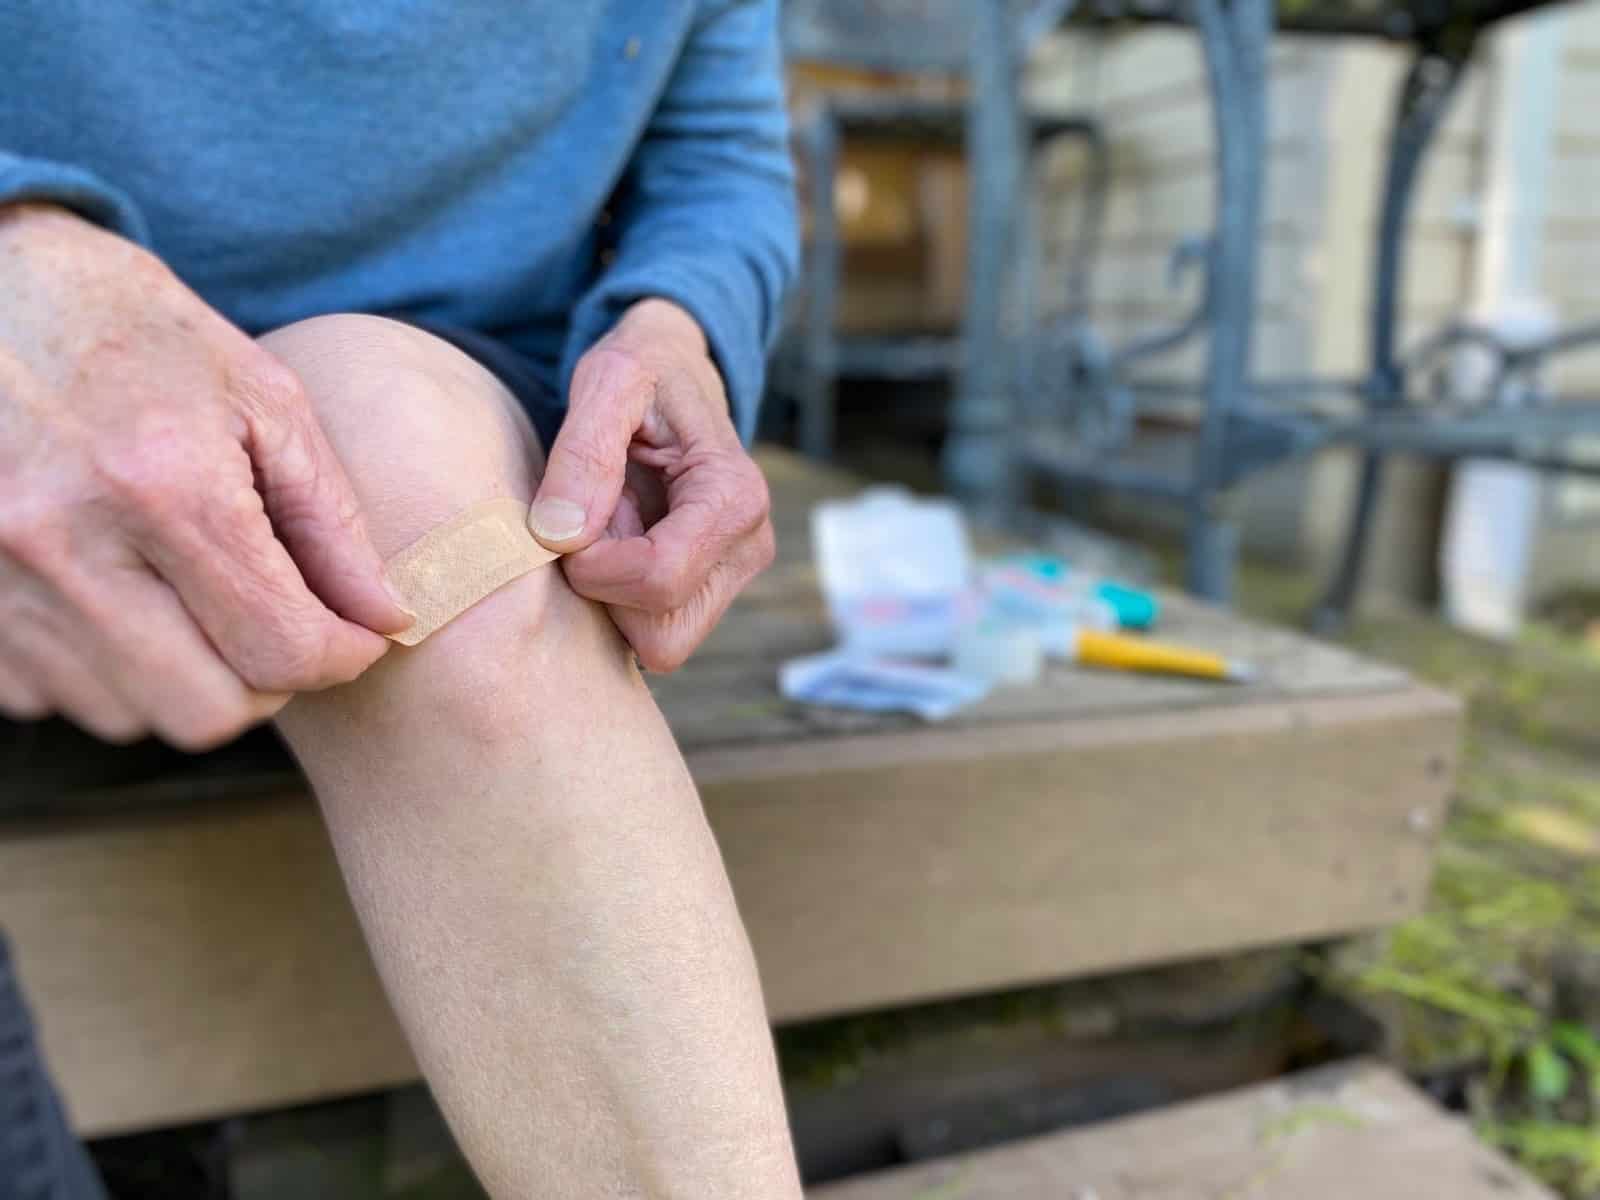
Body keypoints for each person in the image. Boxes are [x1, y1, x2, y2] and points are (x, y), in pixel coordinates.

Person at [0, 3, 803, 1196]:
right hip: (29, 345)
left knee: (420, 492)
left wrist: (680, 328)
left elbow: (717, 149)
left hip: (458, 379)